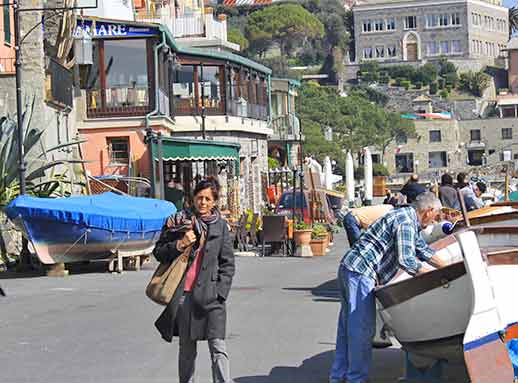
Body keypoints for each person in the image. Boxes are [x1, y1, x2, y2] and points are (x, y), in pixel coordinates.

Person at [330, 192, 448, 383]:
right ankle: (355, 380)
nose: (436, 220)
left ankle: (338, 377)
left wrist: (447, 267)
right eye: (436, 215)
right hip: (361, 273)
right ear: (427, 211)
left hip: (349, 268)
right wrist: (436, 276)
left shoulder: (405, 217)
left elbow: (422, 249)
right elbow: (407, 260)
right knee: (361, 330)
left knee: (347, 328)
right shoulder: (407, 222)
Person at [153, 177, 235, 383]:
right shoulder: (179, 222)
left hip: (212, 297)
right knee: (187, 351)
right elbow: (159, 253)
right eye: (200, 198)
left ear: (215, 201)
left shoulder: (221, 227)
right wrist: (180, 244)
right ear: (193, 198)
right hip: (184, 296)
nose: (203, 203)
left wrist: (221, 293)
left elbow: (228, 263)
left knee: (218, 347)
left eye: (208, 199)